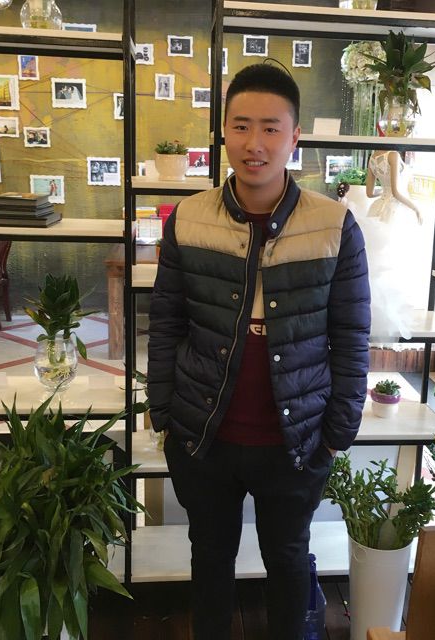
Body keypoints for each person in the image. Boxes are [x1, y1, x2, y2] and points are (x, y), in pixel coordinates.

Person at [147, 62, 370, 640]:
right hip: (205, 436)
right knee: (210, 557)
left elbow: (351, 336)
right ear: (223, 131)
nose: (255, 144)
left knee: (288, 558)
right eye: (242, 126)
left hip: (296, 441)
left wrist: (337, 431)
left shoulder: (334, 225)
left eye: (271, 128)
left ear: (295, 138)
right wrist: (164, 413)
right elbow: (166, 322)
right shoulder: (189, 219)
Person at [357, 137, 423, 343]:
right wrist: (416, 207)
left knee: (376, 261)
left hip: (378, 207)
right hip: (394, 209)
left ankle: (373, 311)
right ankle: (394, 312)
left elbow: (369, 192)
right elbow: (396, 191)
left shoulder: (373, 157)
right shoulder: (392, 155)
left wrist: (382, 192)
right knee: (393, 260)